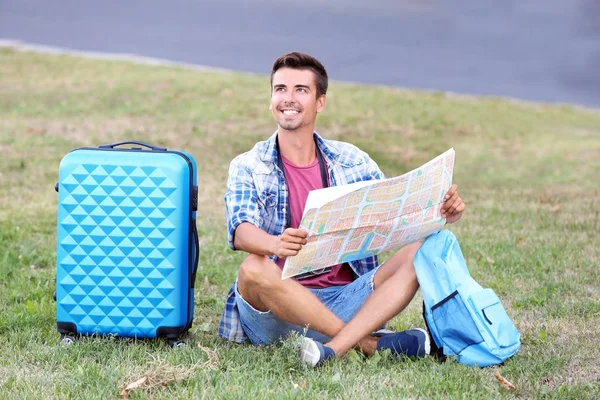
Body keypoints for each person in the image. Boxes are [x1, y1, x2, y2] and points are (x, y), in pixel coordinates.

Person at [218, 51, 466, 367]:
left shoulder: (353, 161)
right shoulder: (249, 165)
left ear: (320, 102)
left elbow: (397, 212)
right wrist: (275, 244)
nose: (288, 98)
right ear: (270, 99)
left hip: (346, 300)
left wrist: (442, 212)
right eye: (280, 89)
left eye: (301, 90)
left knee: (420, 251)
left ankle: (332, 349)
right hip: (277, 309)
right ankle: (368, 345)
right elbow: (240, 230)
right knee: (253, 269)